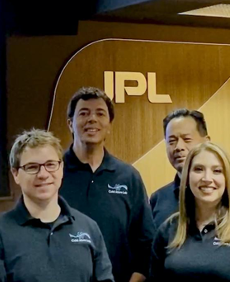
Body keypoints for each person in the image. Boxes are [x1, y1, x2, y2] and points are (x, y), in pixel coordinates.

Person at [0, 129, 114, 281]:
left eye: (50, 165)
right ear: (16, 174)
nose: (43, 174)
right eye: (32, 167)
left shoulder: (89, 228)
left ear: (61, 169)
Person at [59, 87, 155, 282]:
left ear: (109, 125)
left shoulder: (128, 176)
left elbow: (145, 244)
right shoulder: (53, 173)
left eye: (100, 113)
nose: (92, 119)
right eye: (84, 113)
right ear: (70, 124)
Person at [149, 142, 230, 281]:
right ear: (187, 178)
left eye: (217, 171)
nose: (207, 179)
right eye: (198, 169)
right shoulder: (168, 230)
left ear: (228, 179)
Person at [151, 109, 230, 228]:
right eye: (171, 141)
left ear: (206, 141)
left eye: (186, 139)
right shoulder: (158, 199)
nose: (178, 147)